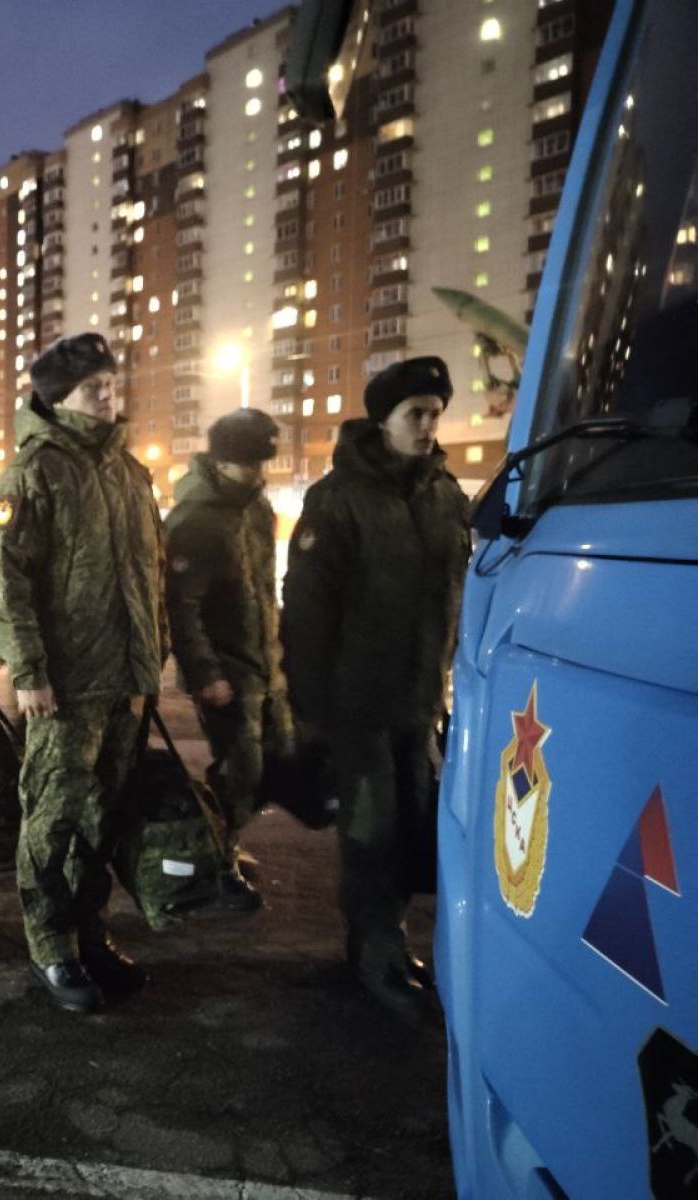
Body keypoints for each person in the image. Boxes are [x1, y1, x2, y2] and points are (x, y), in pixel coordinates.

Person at [281, 356, 470, 1026]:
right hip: (356, 707)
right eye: (415, 414)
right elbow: (306, 617)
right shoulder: (337, 500)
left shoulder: (446, 496)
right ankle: (375, 954)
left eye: (435, 414)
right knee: (371, 834)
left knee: (413, 828)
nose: (427, 426)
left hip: (418, 703)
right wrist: (312, 716)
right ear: (383, 420)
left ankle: (391, 943)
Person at [0, 333, 164, 1013]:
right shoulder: (33, 472)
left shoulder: (129, 471)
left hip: (125, 680)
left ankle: (91, 934)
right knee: (53, 817)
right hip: (65, 685)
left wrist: (154, 657)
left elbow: (150, 573)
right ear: (59, 399)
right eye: (93, 388)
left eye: (110, 384)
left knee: (102, 821)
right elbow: (6, 583)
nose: (107, 396)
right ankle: (51, 944)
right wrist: (28, 671)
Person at [162, 408, 289, 910]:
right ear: (221, 461)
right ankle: (214, 864)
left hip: (262, 665)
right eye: (247, 464)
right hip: (225, 670)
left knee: (266, 767)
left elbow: (264, 591)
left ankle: (221, 840)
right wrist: (205, 673)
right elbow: (181, 606)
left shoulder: (255, 511)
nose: (257, 474)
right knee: (242, 770)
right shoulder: (196, 520)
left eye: (262, 463)